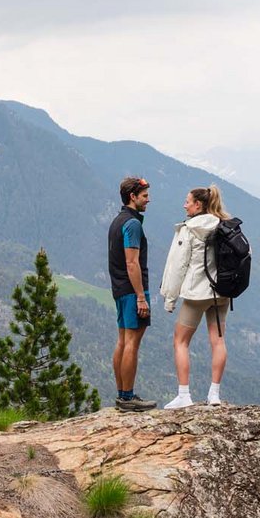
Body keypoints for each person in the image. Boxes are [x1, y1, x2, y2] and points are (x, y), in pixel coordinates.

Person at [159, 184, 231, 408]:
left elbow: (177, 266)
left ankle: (184, 395)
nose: (184, 205)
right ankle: (215, 395)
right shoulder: (224, 225)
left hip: (197, 294)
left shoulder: (189, 229)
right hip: (221, 293)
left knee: (180, 341)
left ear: (198, 205)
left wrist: (170, 299)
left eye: (187, 201)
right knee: (218, 341)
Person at [107, 176, 155, 411]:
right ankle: (127, 397)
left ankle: (121, 395)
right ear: (132, 197)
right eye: (145, 196)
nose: (148, 199)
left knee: (123, 341)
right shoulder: (133, 224)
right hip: (131, 290)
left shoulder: (118, 221)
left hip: (119, 289)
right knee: (132, 343)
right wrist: (141, 296)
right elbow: (132, 263)